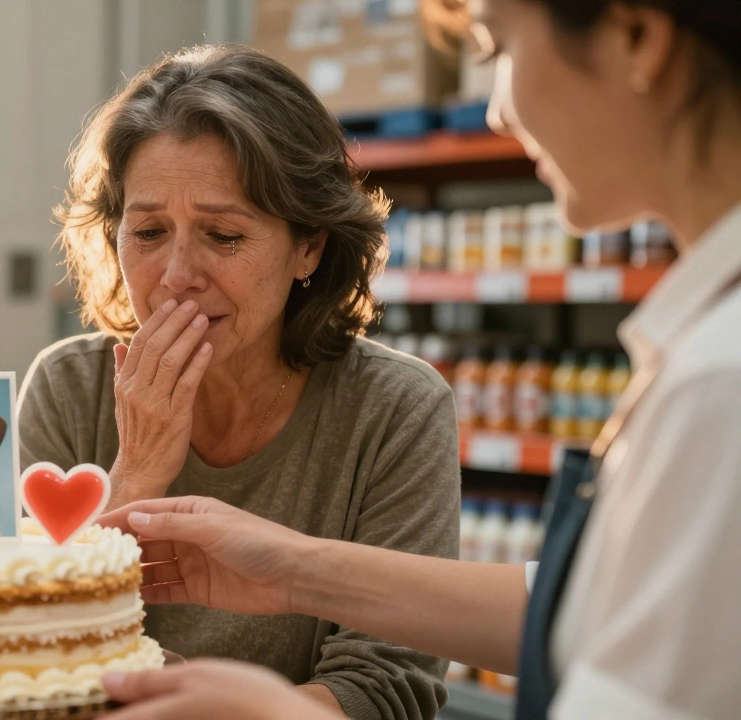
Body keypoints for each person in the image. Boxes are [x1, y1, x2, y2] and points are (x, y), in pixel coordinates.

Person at [98, 1, 741, 719]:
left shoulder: (720, 380)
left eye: (498, 48)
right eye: (148, 230)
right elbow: (590, 609)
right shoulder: (707, 353)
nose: (498, 111)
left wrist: (280, 711)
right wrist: (295, 570)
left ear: (636, 38)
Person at [17, 45, 460, 718]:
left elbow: (386, 686)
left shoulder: (396, 409)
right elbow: (22, 640)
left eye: (223, 236)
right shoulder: (69, 387)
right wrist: (134, 476)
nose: (176, 276)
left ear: (308, 245)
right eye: (148, 232)